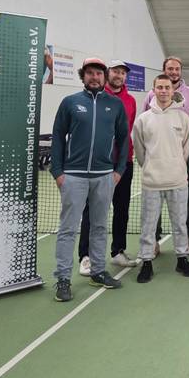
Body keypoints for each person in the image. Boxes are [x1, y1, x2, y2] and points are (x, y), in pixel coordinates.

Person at [50, 58, 129, 302]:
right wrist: (58, 172)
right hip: (73, 176)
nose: (94, 77)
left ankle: (97, 271)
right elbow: (57, 136)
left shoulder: (115, 104)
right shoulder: (70, 102)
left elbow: (124, 139)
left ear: (104, 77)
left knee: (99, 227)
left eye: (98, 73)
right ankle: (63, 278)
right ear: (83, 76)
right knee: (68, 229)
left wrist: (118, 170)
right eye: (90, 73)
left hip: (104, 176)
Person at [132, 74, 189, 283]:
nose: (163, 91)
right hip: (152, 182)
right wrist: (150, 166)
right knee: (148, 225)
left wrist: (176, 164)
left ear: (172, 90)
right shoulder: (143, 119)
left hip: (177, 181)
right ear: (154, 90)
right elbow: (139, 150)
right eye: (159, 87)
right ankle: (146, 262)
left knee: (180, 223)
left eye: (167, 87)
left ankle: (182, 259)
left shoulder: (183, 118)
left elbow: (185, 148)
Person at [77, 60, 137, 276]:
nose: (119, 75)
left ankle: (118, 251)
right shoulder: (96, 98)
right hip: (98, 165)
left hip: (124, 163)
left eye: (122, 73)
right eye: (115, 71)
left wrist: (123, 161)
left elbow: (126, 132)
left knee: (122, 209)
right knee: (92, 210)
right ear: (107, 74)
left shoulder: (130, 101)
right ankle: (86, 256)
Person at [143, 56, 189, 256]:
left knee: (187, 199)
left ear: (180, 71)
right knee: (154, 202)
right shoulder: (151, 94)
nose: (174, 72)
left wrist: (186, 154)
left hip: (184, 157)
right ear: (164, 70)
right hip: (157, 158)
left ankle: (188, 237)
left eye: (177, 69)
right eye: (170, 69)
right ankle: (154, 240)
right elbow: (144, 124)